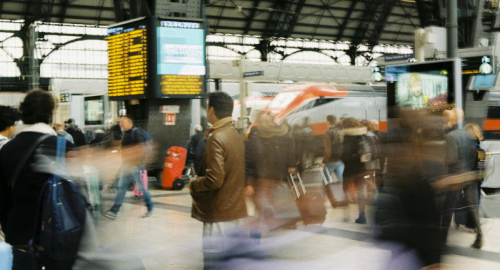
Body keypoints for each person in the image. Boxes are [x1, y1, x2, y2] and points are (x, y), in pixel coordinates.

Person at [0, 89, 78, 269]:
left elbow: (2, 200)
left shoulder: (7, 149)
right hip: (59, 239)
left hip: (20, 240)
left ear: (23, 113)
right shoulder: (63, 146)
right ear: (50, 114)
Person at [189, 92, 247, 269]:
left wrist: (193, 183)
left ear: (212, 109)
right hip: (234, 209)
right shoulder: (234, 134)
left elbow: (214, 179)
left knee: (214, 263)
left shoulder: (216, 138)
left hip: (219, 213)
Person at [245, 112, 295, 234]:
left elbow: (290, 152)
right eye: (262, 122)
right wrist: (247, 182)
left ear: (273, 122)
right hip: (260, 182)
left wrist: (291, 165)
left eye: (268, 121)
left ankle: (268, 229)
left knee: (270, 210)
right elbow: (248, 162)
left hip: (276, 181)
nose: (265, 124)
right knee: (261, 211)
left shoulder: (281, 138)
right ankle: (255, 238)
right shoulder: (253, 141)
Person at [440, 108, 482, 249]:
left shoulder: (451, 136)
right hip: (470, 175)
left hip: (457, 177)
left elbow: (451, 159)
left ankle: (442, 239)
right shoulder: (466, 134)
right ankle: (480, 237)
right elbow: (472, 154)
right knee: (473, 208)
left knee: (447, 208)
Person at [101, 114, 154, 219]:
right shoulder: (126, 133)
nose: (121, 124)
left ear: (130, 122)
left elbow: (141, 149)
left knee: (142, 187)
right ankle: (114, 211)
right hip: (127, 165)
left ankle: (150, 207)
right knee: (121, 187)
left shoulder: (136, 132)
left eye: (123, 121)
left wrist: (135, 163)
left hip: (135, 165)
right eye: (120, 122)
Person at [341, 117, 368, 224]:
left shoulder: (347, 138)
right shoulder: (362, 136)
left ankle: (346, 215)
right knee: (361, 193)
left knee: (345, 191)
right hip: (361, 169)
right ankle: (362, 216)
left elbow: (345, 157)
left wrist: (354, 157)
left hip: (349, 170)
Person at [321, 115, 344, 183]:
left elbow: (328, 150)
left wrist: (324, 161)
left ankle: (326, 193)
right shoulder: (340, 131)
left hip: (331, 161)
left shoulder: (327, 133)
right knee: (342, 180)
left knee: (325, 182)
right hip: (340, 160)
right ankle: (346, 193)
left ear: (328, 122)